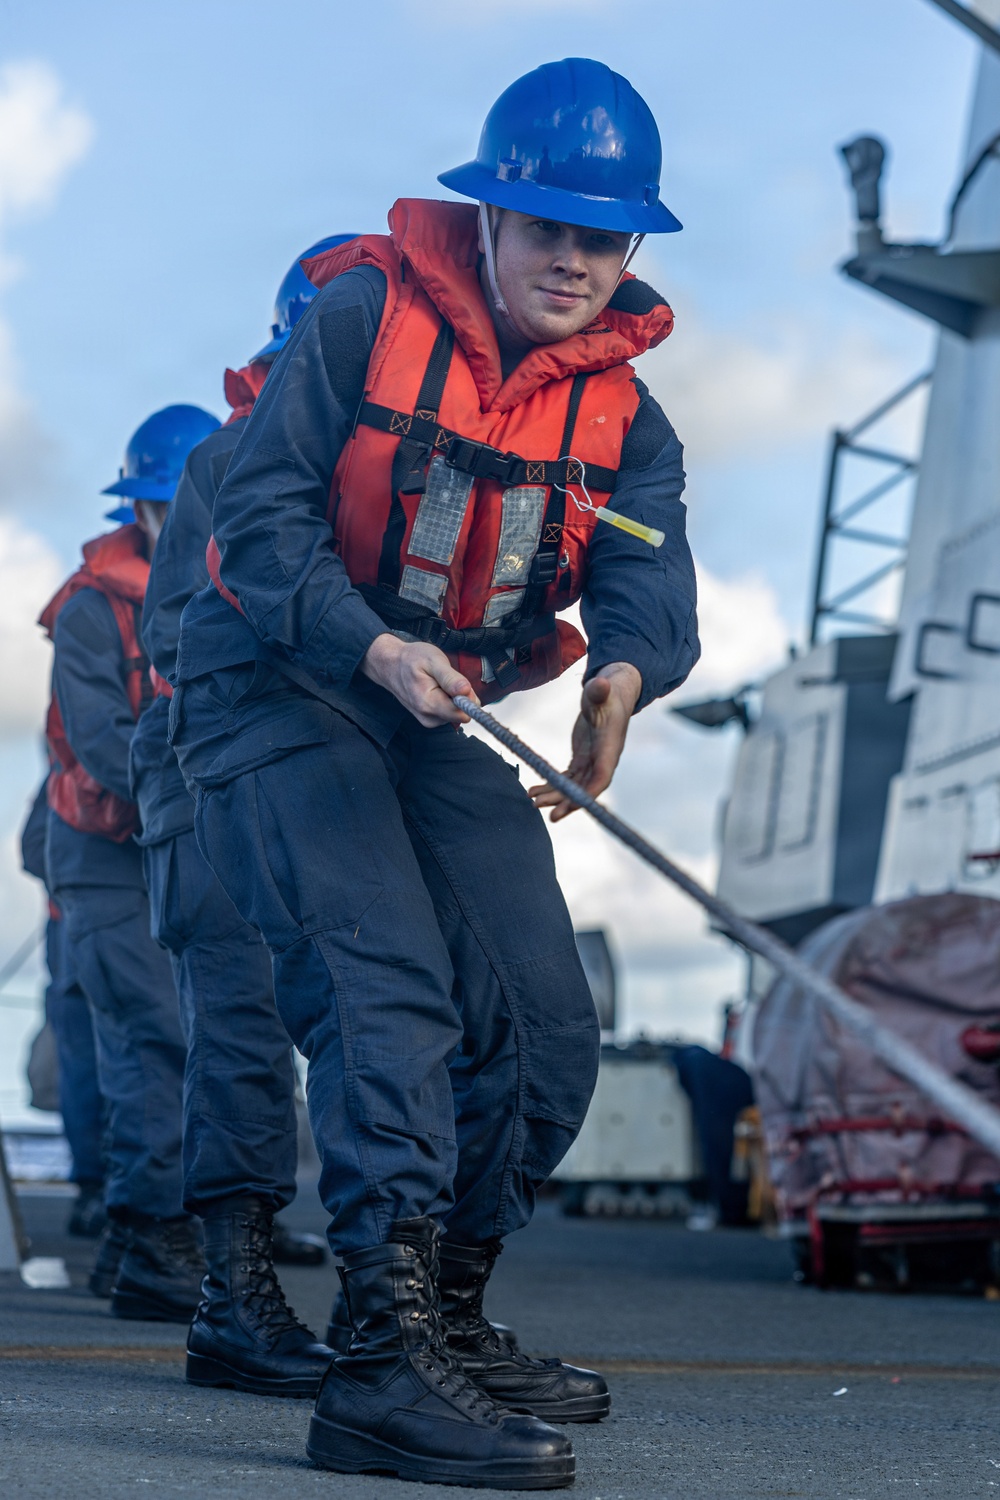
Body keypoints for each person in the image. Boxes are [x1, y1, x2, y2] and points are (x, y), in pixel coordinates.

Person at [172, 58, 698, 1489]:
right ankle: (376, 1370)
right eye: (550, 229)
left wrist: (622, 677)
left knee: (542, 1019)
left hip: (432, 704)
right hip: (281, 686)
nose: (577, 261)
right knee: (383, 989)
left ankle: (446, 1319)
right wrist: (366, 644)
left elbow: (651, 569)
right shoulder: (358, 319)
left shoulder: (627, 418)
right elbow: (262, 524)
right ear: (490, 218)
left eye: (605, 237)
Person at [131, 237, 356, 1399]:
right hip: (213, 773)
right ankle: (232, 1298)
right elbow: (176, 641)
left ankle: (392, 1298)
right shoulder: (231, 463)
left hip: (315, 778)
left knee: (352, 1022)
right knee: (240, 1028)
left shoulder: (363, 468)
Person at [41, 404, 219, 1320]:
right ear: (141, 508)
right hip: (106, 852)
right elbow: (104, 745)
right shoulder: (88, 612)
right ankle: (154, 1236)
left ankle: (168, 1226)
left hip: (183, 839)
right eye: (171, 500)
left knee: (214, 1033)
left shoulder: (229, 587)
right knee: (149, 1034)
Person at [20, 779, 107, 1239]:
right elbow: (33, 849)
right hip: (74, 940)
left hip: (136, 941)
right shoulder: (65, 776)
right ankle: (92, 1188)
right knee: (83, 1069)